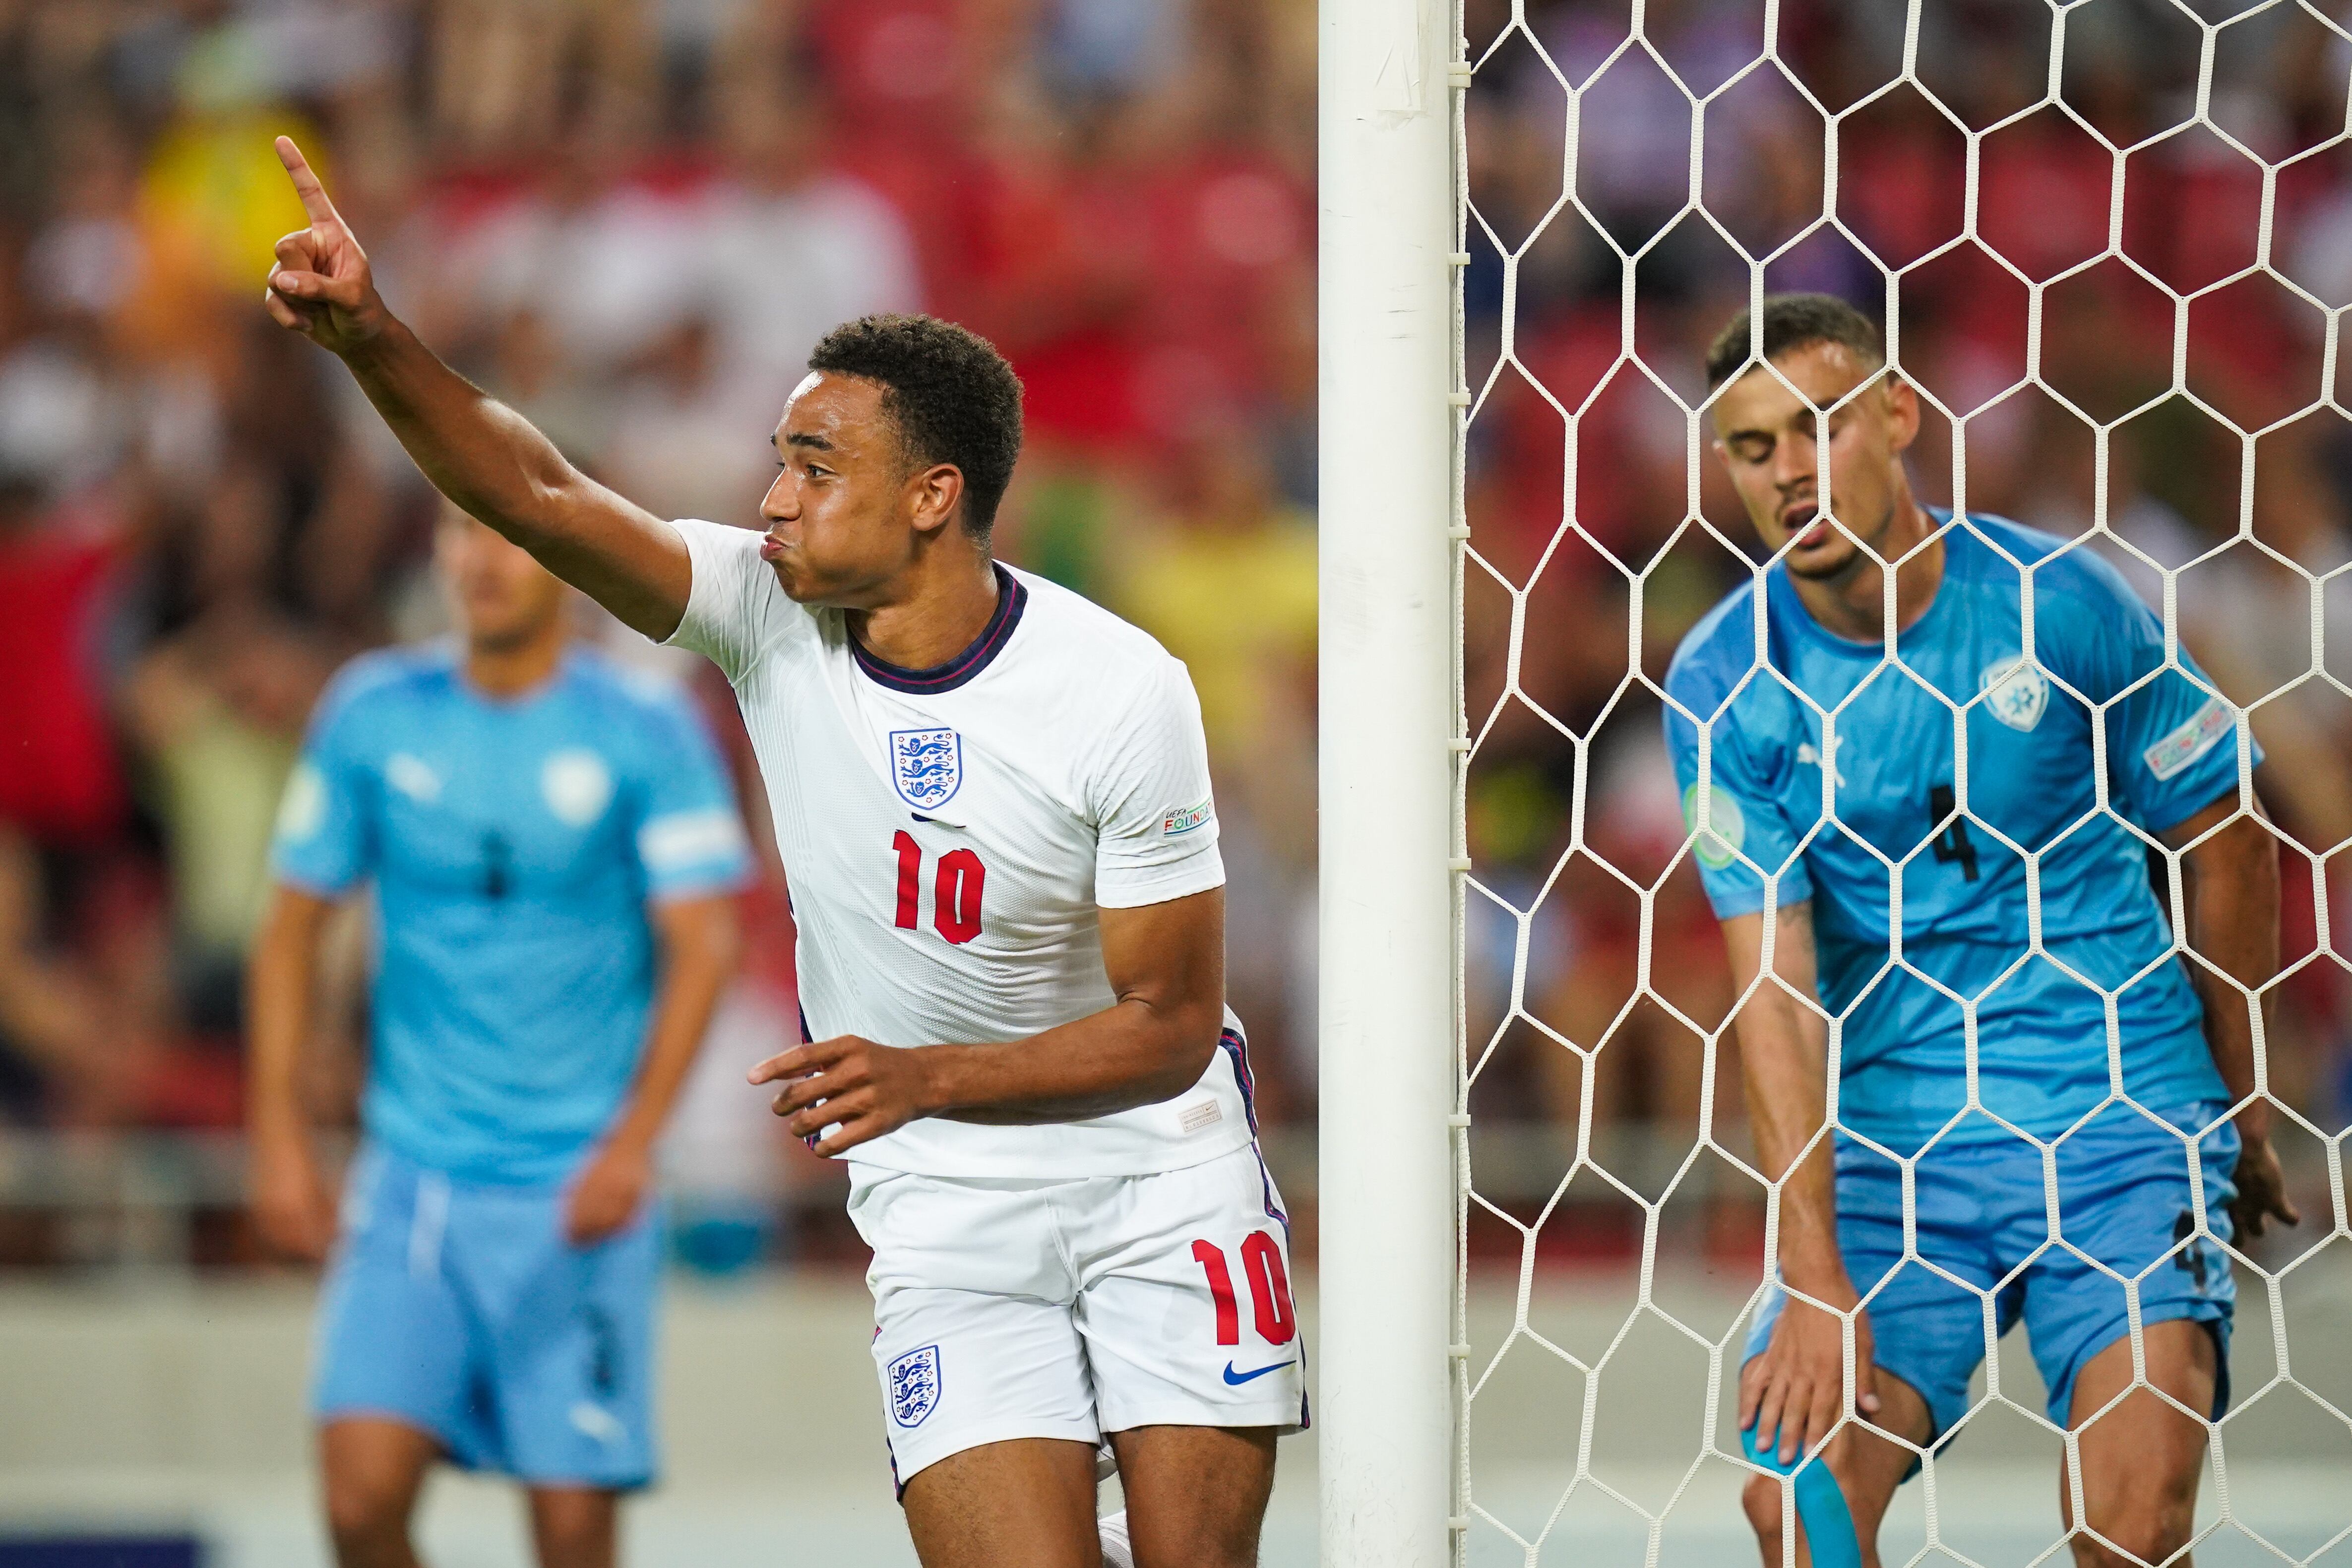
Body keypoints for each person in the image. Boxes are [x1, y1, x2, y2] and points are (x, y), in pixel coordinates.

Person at [258, 137, 1304, 1568]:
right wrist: (372, 339)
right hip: (939, 1199)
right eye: (775, 462)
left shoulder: (1119, 690)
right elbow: (539, 493)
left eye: (814, 466)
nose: (770, 502)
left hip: (1151, 1172)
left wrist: (923, 1072)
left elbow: (1174, 1028)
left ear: (932, 494)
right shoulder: (762, 614)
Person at [1662, 294, 2301, 1568]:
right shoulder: (1724, 682)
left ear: (1897, 417)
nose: (1791, 468)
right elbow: (1772, 994)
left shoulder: (2059, 603)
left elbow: (2226, 832)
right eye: (1751, 447)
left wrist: (2240, 1105)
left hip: (2118, 1117)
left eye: (1821, 423)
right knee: (1799, 1508)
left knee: (2131, 1518)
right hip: (1903, 1155)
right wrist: (1811, 1278)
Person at [246, 502, 751, 1568]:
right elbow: (290, 931)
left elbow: (704, 945)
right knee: (356, 1500)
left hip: (576, 1191)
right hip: (413, 1178)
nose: (483, 560)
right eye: (461, 533)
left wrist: (634, 1141)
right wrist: (280, 1138)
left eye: (512, 535)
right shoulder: (374, 710)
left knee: (571, 1532)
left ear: (566, 555)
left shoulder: (645, 728)